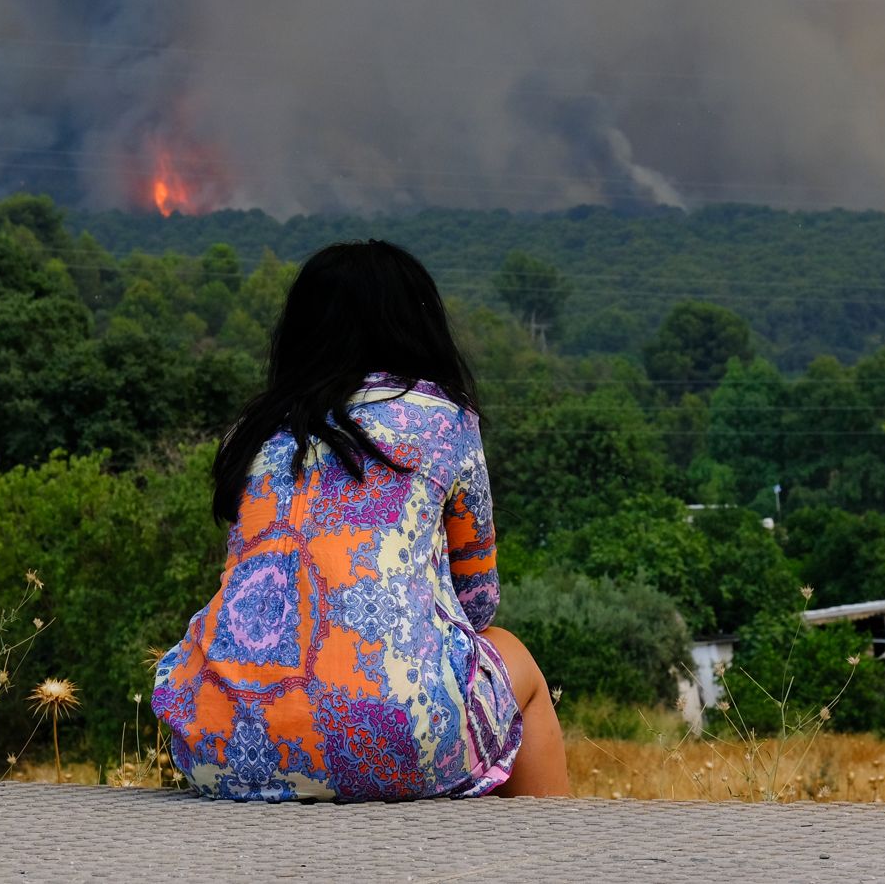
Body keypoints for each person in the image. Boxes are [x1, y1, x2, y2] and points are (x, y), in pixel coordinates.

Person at [151, 239, 570, 801]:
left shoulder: (251, 431)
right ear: (417, 324)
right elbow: (477, 603)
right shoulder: (446, 421)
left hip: (219, 745)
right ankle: (557, 851)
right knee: (511, 656)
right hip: (395, 738)